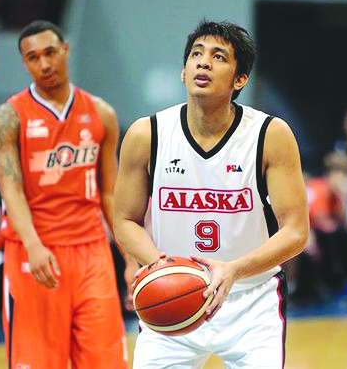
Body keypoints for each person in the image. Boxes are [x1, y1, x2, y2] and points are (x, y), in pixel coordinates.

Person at [114, 20, 309, 367]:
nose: (203, 62)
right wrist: (158, 264)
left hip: (251, 300)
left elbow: (296, 231)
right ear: (183, 71)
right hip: (174, 295)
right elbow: (124, 219)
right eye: (196, 54)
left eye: (218, 56)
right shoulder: (147, 134)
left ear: (240, 80)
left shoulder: (270, 135)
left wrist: (233, 270)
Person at [0, 20, 133, 368]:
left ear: (65, 49)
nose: (44, 64)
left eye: (50, 52)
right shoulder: (9, 117)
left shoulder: (102, 114)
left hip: (92, 253)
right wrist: (35, 245)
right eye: (33, 57)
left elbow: (110, 194)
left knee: (107, 363)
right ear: (24, 63)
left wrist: (129, 259)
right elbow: (10, 189)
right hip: (34, 252)